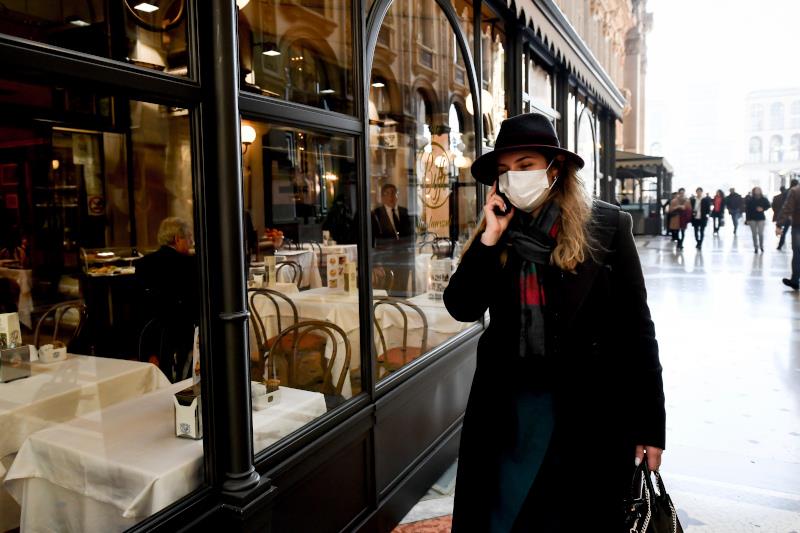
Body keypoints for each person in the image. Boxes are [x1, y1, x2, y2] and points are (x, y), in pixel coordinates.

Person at [443, 113, 666, 532]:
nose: (514, 177)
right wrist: (489, 238)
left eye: (525, 165)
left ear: (555, 167)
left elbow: (638, 332)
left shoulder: (607, 226)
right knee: (502, 516)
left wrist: (650, 425)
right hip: (507, 411)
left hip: (586, 411)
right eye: (505, 170)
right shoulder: (500, 230)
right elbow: (462, 306)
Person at [136, 217, 199, 382]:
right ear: (177, 239)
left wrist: (150, 351)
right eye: (189, 237)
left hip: (150, 337)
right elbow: (194, 305)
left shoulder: (143, 264)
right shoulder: (189, 264)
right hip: (181, 335)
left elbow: (141, 307)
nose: (192, 242)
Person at [778, 181, 800, 289]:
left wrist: (779, 225)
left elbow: (787, 208)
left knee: (797, 254)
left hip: (798, 226)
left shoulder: (796, 191)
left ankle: (795, 281)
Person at [745, 187, 770, 253]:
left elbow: (768, 205)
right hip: (751, 218)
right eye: (756, 190)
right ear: (754, 191)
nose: (757, 191)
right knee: (754, 234)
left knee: (760, 233)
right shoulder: (750, 199)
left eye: (759, 190)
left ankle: (761, 246)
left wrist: (763, 208)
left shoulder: (764, 199)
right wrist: (747, 219)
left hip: (761, 218)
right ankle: (755, 247)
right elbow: (747, 210)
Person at [773, 182, 794, 250]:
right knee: (788, 231)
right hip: (788, 216)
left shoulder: (778, 197)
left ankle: (780, 245)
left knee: (784, 232)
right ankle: (781, 244)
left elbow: (774, 207)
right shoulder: (792, 193)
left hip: (783, 216)